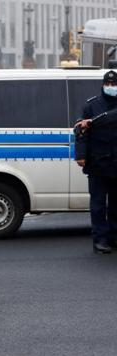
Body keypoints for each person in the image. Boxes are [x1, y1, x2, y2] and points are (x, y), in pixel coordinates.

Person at [74, 70, 117, 254]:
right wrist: (81, 155)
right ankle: (100, 240)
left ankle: (114, 238)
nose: (110, 87)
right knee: (98, 205)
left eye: (113, 84)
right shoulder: (91, 105)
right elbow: (81, 132)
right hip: (98, 163)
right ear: (102, 85)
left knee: (116, 205)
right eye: (108, 84)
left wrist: (94, 121)